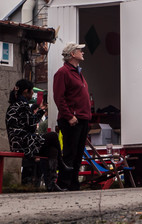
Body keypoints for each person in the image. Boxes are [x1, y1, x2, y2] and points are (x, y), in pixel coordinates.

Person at [6, 79, 68, 191]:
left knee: (52, 149)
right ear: (26, 91)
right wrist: (41, 111)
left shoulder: (13, 105)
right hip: (24, 143)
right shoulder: (22, 105)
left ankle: (51, 184)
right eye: (31, 92)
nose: (32, 95)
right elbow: (32, 125)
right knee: (53, 136)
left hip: (19, 143)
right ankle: (61, 163)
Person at [53, 42, 92, 191]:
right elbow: (59, 97)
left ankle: (74, 183)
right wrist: (69, 116)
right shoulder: (63, 72)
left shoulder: (78, 72)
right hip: (72, 120)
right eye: (79, 50)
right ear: (72, 54)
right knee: (69, 152)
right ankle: (64, 183)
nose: (82, 52)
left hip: (82, 118)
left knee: (78, 153)